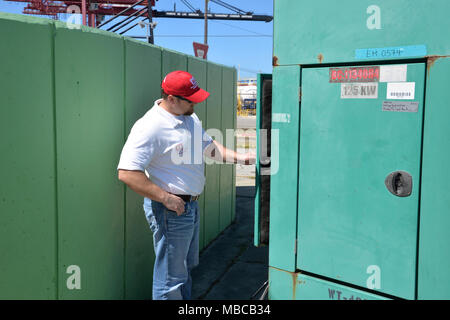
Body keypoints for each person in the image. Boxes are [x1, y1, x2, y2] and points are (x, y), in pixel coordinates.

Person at [117, 70, 255, 300]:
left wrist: (241, 157)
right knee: (170, 282)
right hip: (170, 209)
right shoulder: (150, 126)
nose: (195, 104)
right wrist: (166, 198)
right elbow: (127, 173)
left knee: (184, 273)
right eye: (191, 99)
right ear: (171, 99)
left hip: (189, 207)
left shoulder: (189, 118)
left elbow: (209, 147)